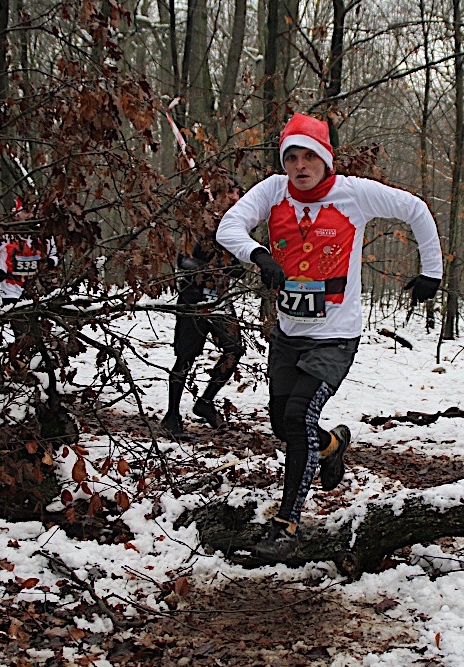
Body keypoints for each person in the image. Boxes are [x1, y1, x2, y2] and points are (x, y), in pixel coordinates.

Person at [215, 113, 443, 562]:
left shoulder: (354, 193)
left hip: (335, 336)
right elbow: (229, 227)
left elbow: (416, 209)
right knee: (282, 424)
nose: (300, 166)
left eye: (309, 156)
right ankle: (333, 446)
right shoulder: (273, 191)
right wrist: (259, 255)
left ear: (325, 159)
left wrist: (431, 272)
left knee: (298, 416)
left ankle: (286, 526)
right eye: (292, 158)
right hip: (288, 333)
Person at [162, 181, 247, 436]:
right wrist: (211, 267)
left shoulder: (236, 225)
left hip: (220, 299)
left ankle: (205, 402)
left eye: (238, 193)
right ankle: (172, 415)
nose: (235, 198)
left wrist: (235, 266)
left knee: (234, 349)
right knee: (186, 356)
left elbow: (237, 265)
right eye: (230, 193)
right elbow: (184, 260)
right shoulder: (199, 223)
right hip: (194, 298)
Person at [0, 197, 58, 305]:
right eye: (26, 212)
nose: (30, 216)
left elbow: (53, 254)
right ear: (17, 213)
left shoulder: (43, 234)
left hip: (37, 291)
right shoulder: (6, 234)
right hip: (10, 292)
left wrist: (50, 262)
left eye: (33, 212)